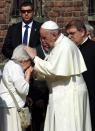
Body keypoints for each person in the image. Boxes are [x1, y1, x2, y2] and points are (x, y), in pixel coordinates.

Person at [24, 20, 92, 131]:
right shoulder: (58, 46)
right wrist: (35, 72)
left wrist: (34, 58)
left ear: (54, 35)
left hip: (69, 95)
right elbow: (52, 68)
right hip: (61, 93)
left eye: (45, 38)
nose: (43, 41)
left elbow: (53, 70)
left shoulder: (65, 46)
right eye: (41, 38)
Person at [2, 1, 49, 131]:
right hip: (17, 72)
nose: (26, 14)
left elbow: (43, 48)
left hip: (35, 73)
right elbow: (5, 48)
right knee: (20, 111)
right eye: (23, 11)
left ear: (33, 12)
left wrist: (31, 63)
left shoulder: (40, 27)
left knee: (37, 110)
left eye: (28, 11)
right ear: (20, 13)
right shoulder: (13, 28)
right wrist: (18, 60)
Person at [65, 19, 95, 131]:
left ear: (82, 32)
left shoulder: (93, 48)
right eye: (67, 34)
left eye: (72, 33)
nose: (69, 37)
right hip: (78, 99)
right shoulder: (72, 49)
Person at [0, 45, 33, 131]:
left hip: (9, 106)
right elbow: (23, 90)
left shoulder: (10, 65)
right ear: (25, 60)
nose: (30, 64)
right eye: (30, 61)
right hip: (12, 108)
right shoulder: (16, 67)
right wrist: (28, 74)